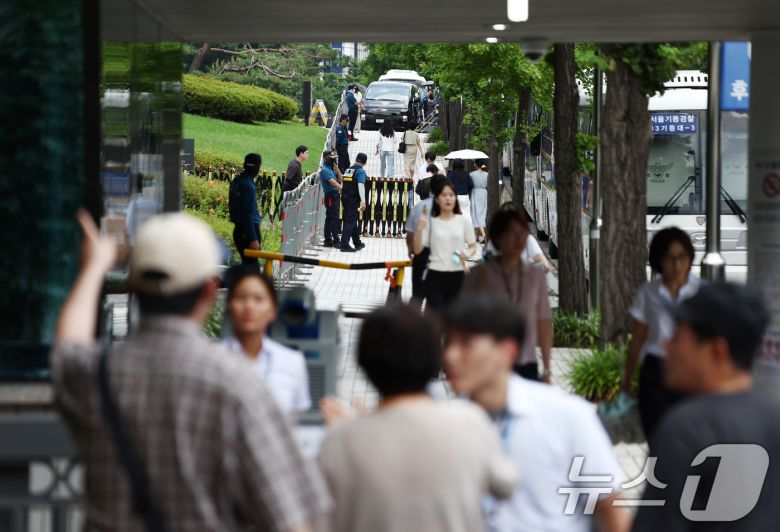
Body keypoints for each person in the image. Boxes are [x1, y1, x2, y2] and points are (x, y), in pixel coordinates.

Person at [53, 211, 329, 531]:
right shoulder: (237, 384)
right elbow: (292, 520)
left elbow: (67, 348)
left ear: (131, 285)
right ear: (209, 292)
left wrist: (95, 266)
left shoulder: (95, 375)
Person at [316, 303, 517, 532]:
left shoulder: (340, 441)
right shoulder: (469, 422)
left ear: (364, 363)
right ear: (435, 358)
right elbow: (506, 484)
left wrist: (356, 423)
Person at [443, 297, 631, 532]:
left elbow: (611, 509)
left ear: (506, 351)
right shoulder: (443, 428)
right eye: (448, 344)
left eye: (465, 344)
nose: (450, 356)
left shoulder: (566, 416)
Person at [633, 282, 780, 531]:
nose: (667, 346)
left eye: (678, 335)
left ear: (716, 352)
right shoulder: (772, 418)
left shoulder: (687, 428)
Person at [620, 227, 700, 446]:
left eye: (682, 257)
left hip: (689, 371)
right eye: (669, 258)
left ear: (690, 258)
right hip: (656, 371)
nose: (676, 265)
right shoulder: (649, 293)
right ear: (659, 260)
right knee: (657, 437)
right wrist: (626, 381)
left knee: (687, 439)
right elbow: (637, 340)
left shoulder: (700, 293)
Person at [461, 209, 553, 383]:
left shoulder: (535, 276)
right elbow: (466, 321)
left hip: (526, 361)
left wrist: (547, 369)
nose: (518, 239)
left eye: (522, 233)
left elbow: (544, 321)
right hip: (487, 363)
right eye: (511, 233)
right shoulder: (478, 276)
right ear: (498, 237)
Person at [222, 266, 311, 418]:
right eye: (241, 297)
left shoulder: (292, 362)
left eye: (258, 299)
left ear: (273, 310)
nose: (249, 306)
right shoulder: (211, 360)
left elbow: (296, 419)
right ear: (229, 306)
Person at [413, 179, 477, 311]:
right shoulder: (431, 222)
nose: (448, 198)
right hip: (434, 274)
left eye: (451, 195)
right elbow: (418, 249)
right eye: (444, 195)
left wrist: (466, 255)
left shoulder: (463, 221)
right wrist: (419, 230)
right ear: (437, 199)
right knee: (435, 314)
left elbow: (472, 246)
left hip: (456, 274)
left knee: (452, 315)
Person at [406, 174, 448, 307]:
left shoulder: (419, 207)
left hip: (422, 253)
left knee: (418, 292)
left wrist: (410, 249)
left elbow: (410, 233)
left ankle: (414, 322)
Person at [228, 152, 262, 268]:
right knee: (252, 268)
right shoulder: (248, 185)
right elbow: (247, 213)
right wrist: (253, 238)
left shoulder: (237, 181)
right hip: (248, 231)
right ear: (257, 167)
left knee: (247, 265)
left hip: (239, 230)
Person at [339, 152, 368, 252]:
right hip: (353, 198)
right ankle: (344, 245)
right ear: (364, 163)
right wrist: (363, 201)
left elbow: (344, 184)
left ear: (356, 159)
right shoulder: (360, 171)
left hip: (345, 197)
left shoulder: (348, 169)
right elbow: (361, 186)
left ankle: (357, 243)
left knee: (351, 220)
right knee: (350, 221)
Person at [319, 149, 343, 248]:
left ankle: (329, 240)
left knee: (332, 218)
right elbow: (332, 182)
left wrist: (337, 169)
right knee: (332, 218)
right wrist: (343, 189)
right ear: (325, 158)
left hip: (335, 195)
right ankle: (334, 240)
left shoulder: (331, 169)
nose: (333, 160)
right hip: (330, 196)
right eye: (331, 158)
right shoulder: (324, 170)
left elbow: (340, 179)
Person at [447, 159, 474, 227]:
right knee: (466, 214)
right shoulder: (466, 174)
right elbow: (471, 185)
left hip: (454, 197)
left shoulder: (451, 175)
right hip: (464, 197)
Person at [469, 160, 489, 242]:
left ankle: (483, 235)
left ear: (475, 165)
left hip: (475, 193)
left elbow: (470, 184)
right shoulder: (487, 174)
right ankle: (477, 236)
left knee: (475, 213)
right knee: (482, 213)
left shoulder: (471, 174)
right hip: (484, 193)